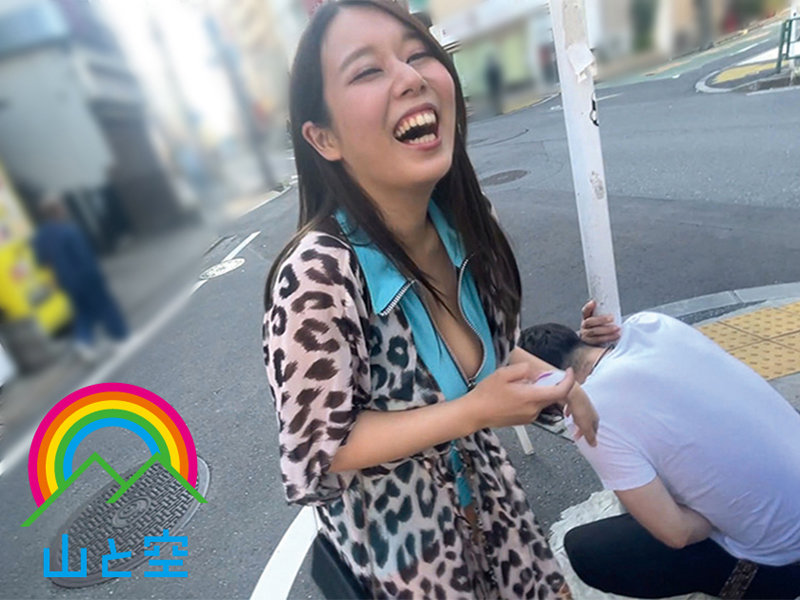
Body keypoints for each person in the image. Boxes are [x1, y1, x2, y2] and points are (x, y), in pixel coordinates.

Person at [261, 2, 600, 597]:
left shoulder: (465, 223)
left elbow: (487, 354)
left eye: (418, 54)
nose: (410, 77)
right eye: (368, 70)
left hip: (498, 521)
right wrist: (474, 413)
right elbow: (319, 452)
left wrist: (561, 384)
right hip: (406, 563)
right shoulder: (318, 274)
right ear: (323, 137)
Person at [521, 302, 800, 599]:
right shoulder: (651, 325)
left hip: (781, 562)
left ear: (551, 400)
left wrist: (722, 508)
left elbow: (677, 533)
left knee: (585, 548)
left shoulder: (588, 413)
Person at [33, 193, 128, 362]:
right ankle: (120, 339)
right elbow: (83, 255)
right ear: (58, 210)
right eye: (62, 207)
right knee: (105, 305)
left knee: (83, 311)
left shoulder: (41, 237)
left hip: (65, 280)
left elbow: (42, 261)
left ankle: (83, 343)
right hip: (85, 275)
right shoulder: (69, 230)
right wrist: (97, 275)